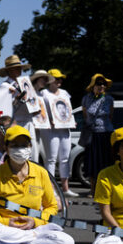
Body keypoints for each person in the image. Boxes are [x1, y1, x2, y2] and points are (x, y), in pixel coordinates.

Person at [0, 126, 74, 244]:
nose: (20, 149)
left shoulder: (41, 172)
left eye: (24, 145)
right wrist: (5, 222)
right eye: (15, 145)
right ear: (6, 148)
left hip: (35, 228)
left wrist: (35, 222)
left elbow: (51, 207)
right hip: (6, 229)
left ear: (30, 147)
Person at [39, 69, 77, 197]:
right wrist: (47, 120)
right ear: (50, 80)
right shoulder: (43, 93)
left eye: (60, 78)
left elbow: (68, 109)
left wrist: (72, 121)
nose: (59, 81)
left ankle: (65, 188)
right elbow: (40, 110)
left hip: (64, 128)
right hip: (50, 129)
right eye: (56, 78)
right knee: (51, 159)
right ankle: (51, 188)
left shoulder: (65, 93)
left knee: (65, 158)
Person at [0, 55, 39, 163]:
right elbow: (4, 106)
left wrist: (35, 107)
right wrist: (16, 99)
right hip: (16, 122)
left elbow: (33, 102)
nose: (19, 70)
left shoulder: (26, 83)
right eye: (16, 68)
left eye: (19, 68)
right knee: (20, 153)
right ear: (9, 70)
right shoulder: (5, 86)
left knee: (33, 153)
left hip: (29, 121)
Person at [81, 73, 115, 194]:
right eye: (99, 84)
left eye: (104, 84)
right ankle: (93, 189)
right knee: (92, 162)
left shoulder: (109, 99)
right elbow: (85, 115)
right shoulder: (86, 99)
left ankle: (106, 189)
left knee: (106, 162)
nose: (102, 86)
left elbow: (110, 116)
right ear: (93, 85)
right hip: (92, 135)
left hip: (106, 134)